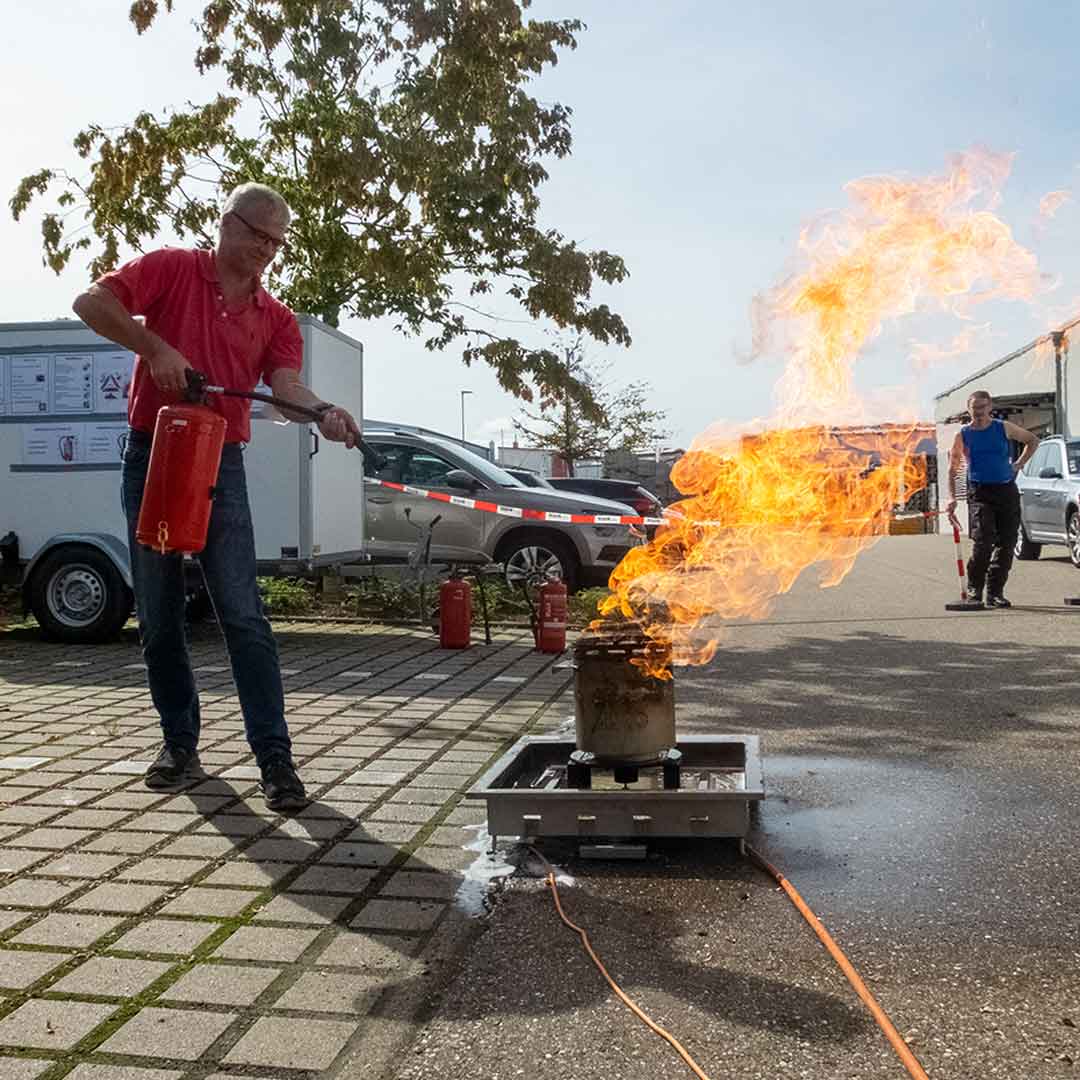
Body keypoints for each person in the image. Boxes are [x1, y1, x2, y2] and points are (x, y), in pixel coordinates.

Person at [72, 182, 360, 810]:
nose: (266, 249)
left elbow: (285, 387)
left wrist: (325, 411)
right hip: (151, 454)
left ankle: (275, 759)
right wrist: (154, 347)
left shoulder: (277, 319)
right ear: (226, 224)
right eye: (257, 233)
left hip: (219, 462)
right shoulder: (171, 269)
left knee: (242, 613)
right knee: (157, 613)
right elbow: (90, 300)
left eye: (276, 242)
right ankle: (179, 743)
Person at [945, 389, 1037, 608]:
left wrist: (1018, 464)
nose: (978, 412)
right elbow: (953, 468)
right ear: (969, 409)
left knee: (1007, 542)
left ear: (990, 408)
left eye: (982, 407)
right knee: (983, 541)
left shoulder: (1002, 428)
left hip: (1006, 490)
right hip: (980, 492)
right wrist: (952, 498)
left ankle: (995, 592)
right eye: (974, 408)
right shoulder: (963, 434)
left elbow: (1032, 440)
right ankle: (975, 589)